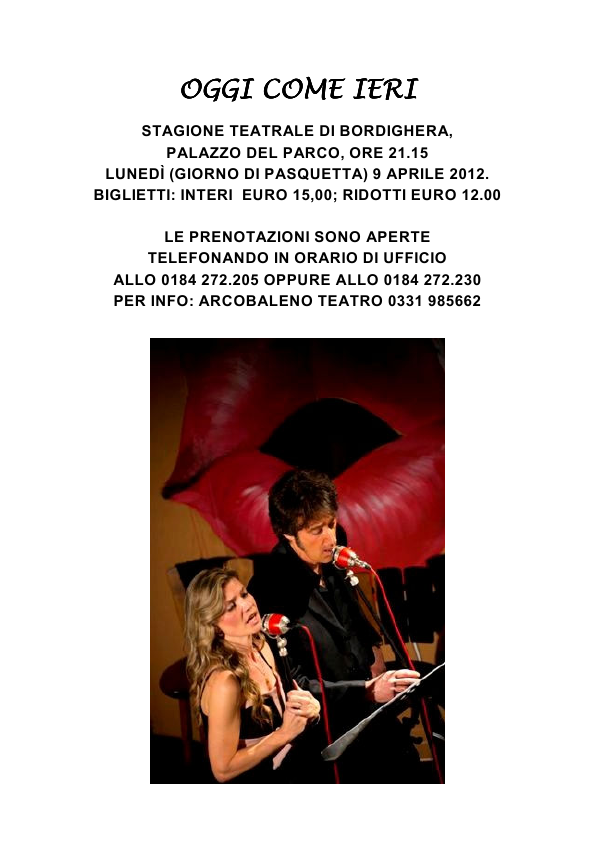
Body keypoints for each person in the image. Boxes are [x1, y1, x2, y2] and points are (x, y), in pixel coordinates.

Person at [248, 468, 423, 783]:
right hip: (325, 726)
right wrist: (367, 692)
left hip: (369, 710)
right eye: (317, 530)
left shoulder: (332, 557)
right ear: (288, 533)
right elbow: (293, 685)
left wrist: (379, 673)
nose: (330, 539)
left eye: (331, 523)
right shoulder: (268, 588)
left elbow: (356, 627)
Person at [184, 566, 321, 783]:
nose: (247, 605)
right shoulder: (225, 682)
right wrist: (283, 734)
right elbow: (222, 770)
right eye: (231, 606)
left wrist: (309, 708)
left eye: (244, 594)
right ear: (213, 626)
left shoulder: (261, 645)